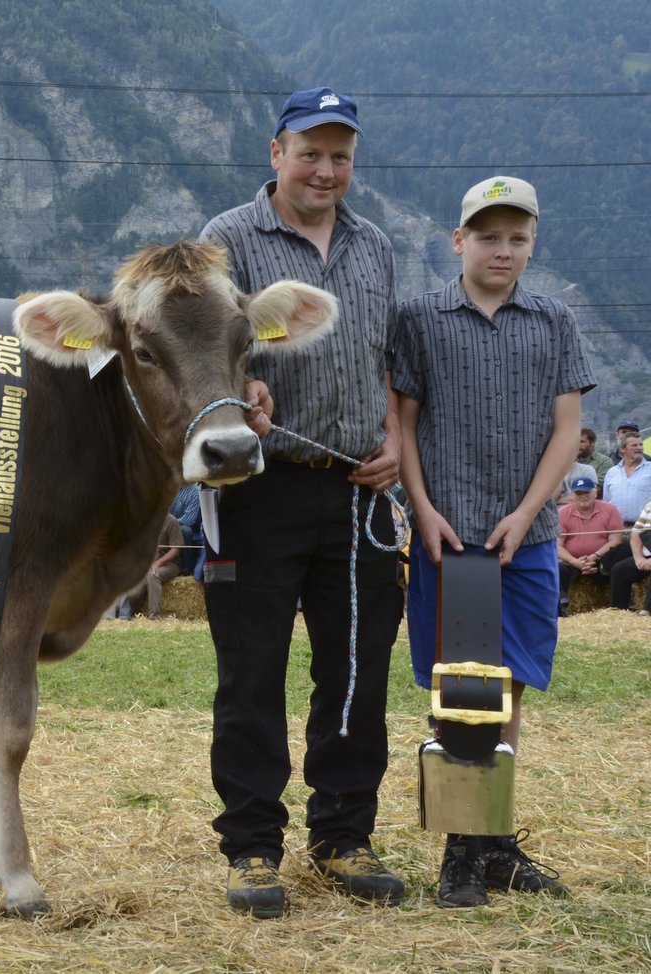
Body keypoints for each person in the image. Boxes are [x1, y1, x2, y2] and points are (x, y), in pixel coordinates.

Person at [198, 86, 406, 918]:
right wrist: (238, 383)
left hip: (359, 489)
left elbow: (385, 356)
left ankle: (343, 837)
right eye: (310, 152)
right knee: (251, 673)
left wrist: (392, 436)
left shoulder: (377, 246)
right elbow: (202, 344)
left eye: (340, 155)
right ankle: (252, 847)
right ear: (275, 152)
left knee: (355, 672)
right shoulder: (227, 238)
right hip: (260, 487)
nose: (326, 169)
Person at [394, 175, 593, 908]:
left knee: (507, 687)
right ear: (459, 241)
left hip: (527, 538)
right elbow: (403, 425)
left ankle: (492, 841)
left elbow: (567, 430)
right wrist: (422, 510)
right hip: (449, 538)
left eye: (517, 237)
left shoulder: (554, 321)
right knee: (459, 688)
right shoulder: (419, 319)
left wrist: (526, 511)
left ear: (532, 244)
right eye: (487, 235)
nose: (502, 249)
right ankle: (460, 850)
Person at [555, 476, 622, 613]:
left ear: (595, 492)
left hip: (602, 560)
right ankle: (562, 605)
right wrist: (575, 562)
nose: (583, 496)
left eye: (587, 492)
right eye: (579, 493)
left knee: (618, 564)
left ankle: (616, 608)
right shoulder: (562, 513)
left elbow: (616, 540)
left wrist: (594, 557)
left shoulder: (610, 510)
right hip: (572, 561)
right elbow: (557, 545)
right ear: (572, 495)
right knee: (556, 568)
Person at [123, 513, 185, 620]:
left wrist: (158, 563)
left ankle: (154, 617)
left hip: (169, 565)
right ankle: (137, 616)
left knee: (153, 575)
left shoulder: (171, 521)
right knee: (134, 594)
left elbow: (175, 550)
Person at [600, 499, 651, 613]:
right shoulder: (649, 505)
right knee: (620, 569)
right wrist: (638, 558)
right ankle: (618, 611)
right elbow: (636, 533)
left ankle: (647, 611)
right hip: (646, 555)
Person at [602, 433, 651, 527]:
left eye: (641, 445)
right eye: (634, 445)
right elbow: (606, 502)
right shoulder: (612, 472)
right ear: (622, 449)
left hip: (646, 530)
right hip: (617, 529)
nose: (639, 448)